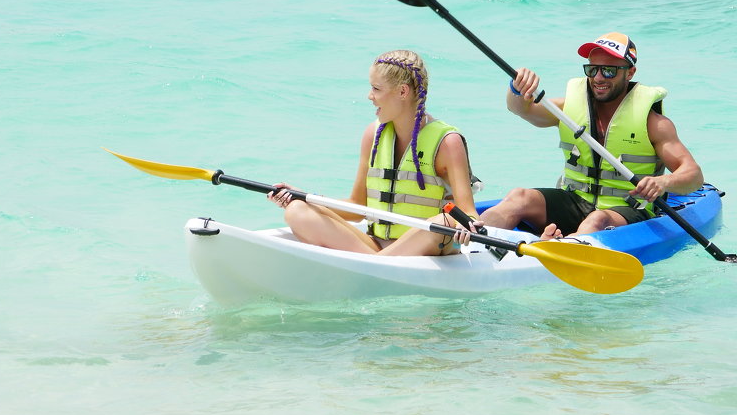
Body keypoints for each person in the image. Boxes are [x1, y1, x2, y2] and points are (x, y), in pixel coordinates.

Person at [479, 32, 703, 239]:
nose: (598, 78)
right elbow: (522, 110)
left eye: (609, 71)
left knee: (597, 219)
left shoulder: (654, 124)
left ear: (630, 72)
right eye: (592, 69)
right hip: (576, 201)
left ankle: (564, 249)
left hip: (628, 210)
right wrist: (517, 89)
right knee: (519, 197)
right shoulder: (566, 110)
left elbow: (693, 176)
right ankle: (472, 240)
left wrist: (663, 182)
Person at [268, 49, 478, 255]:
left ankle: (375, 264)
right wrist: (305, 198)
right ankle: (377, 262)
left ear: (403, 92)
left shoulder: (448, 142)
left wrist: (466, 225)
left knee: (444, 222)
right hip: (375, 246)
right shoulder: (373, 134)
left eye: (376, 89)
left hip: (427, 245)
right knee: (297, 211)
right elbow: (358, 207)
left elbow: (467, 212)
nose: (370, 96)